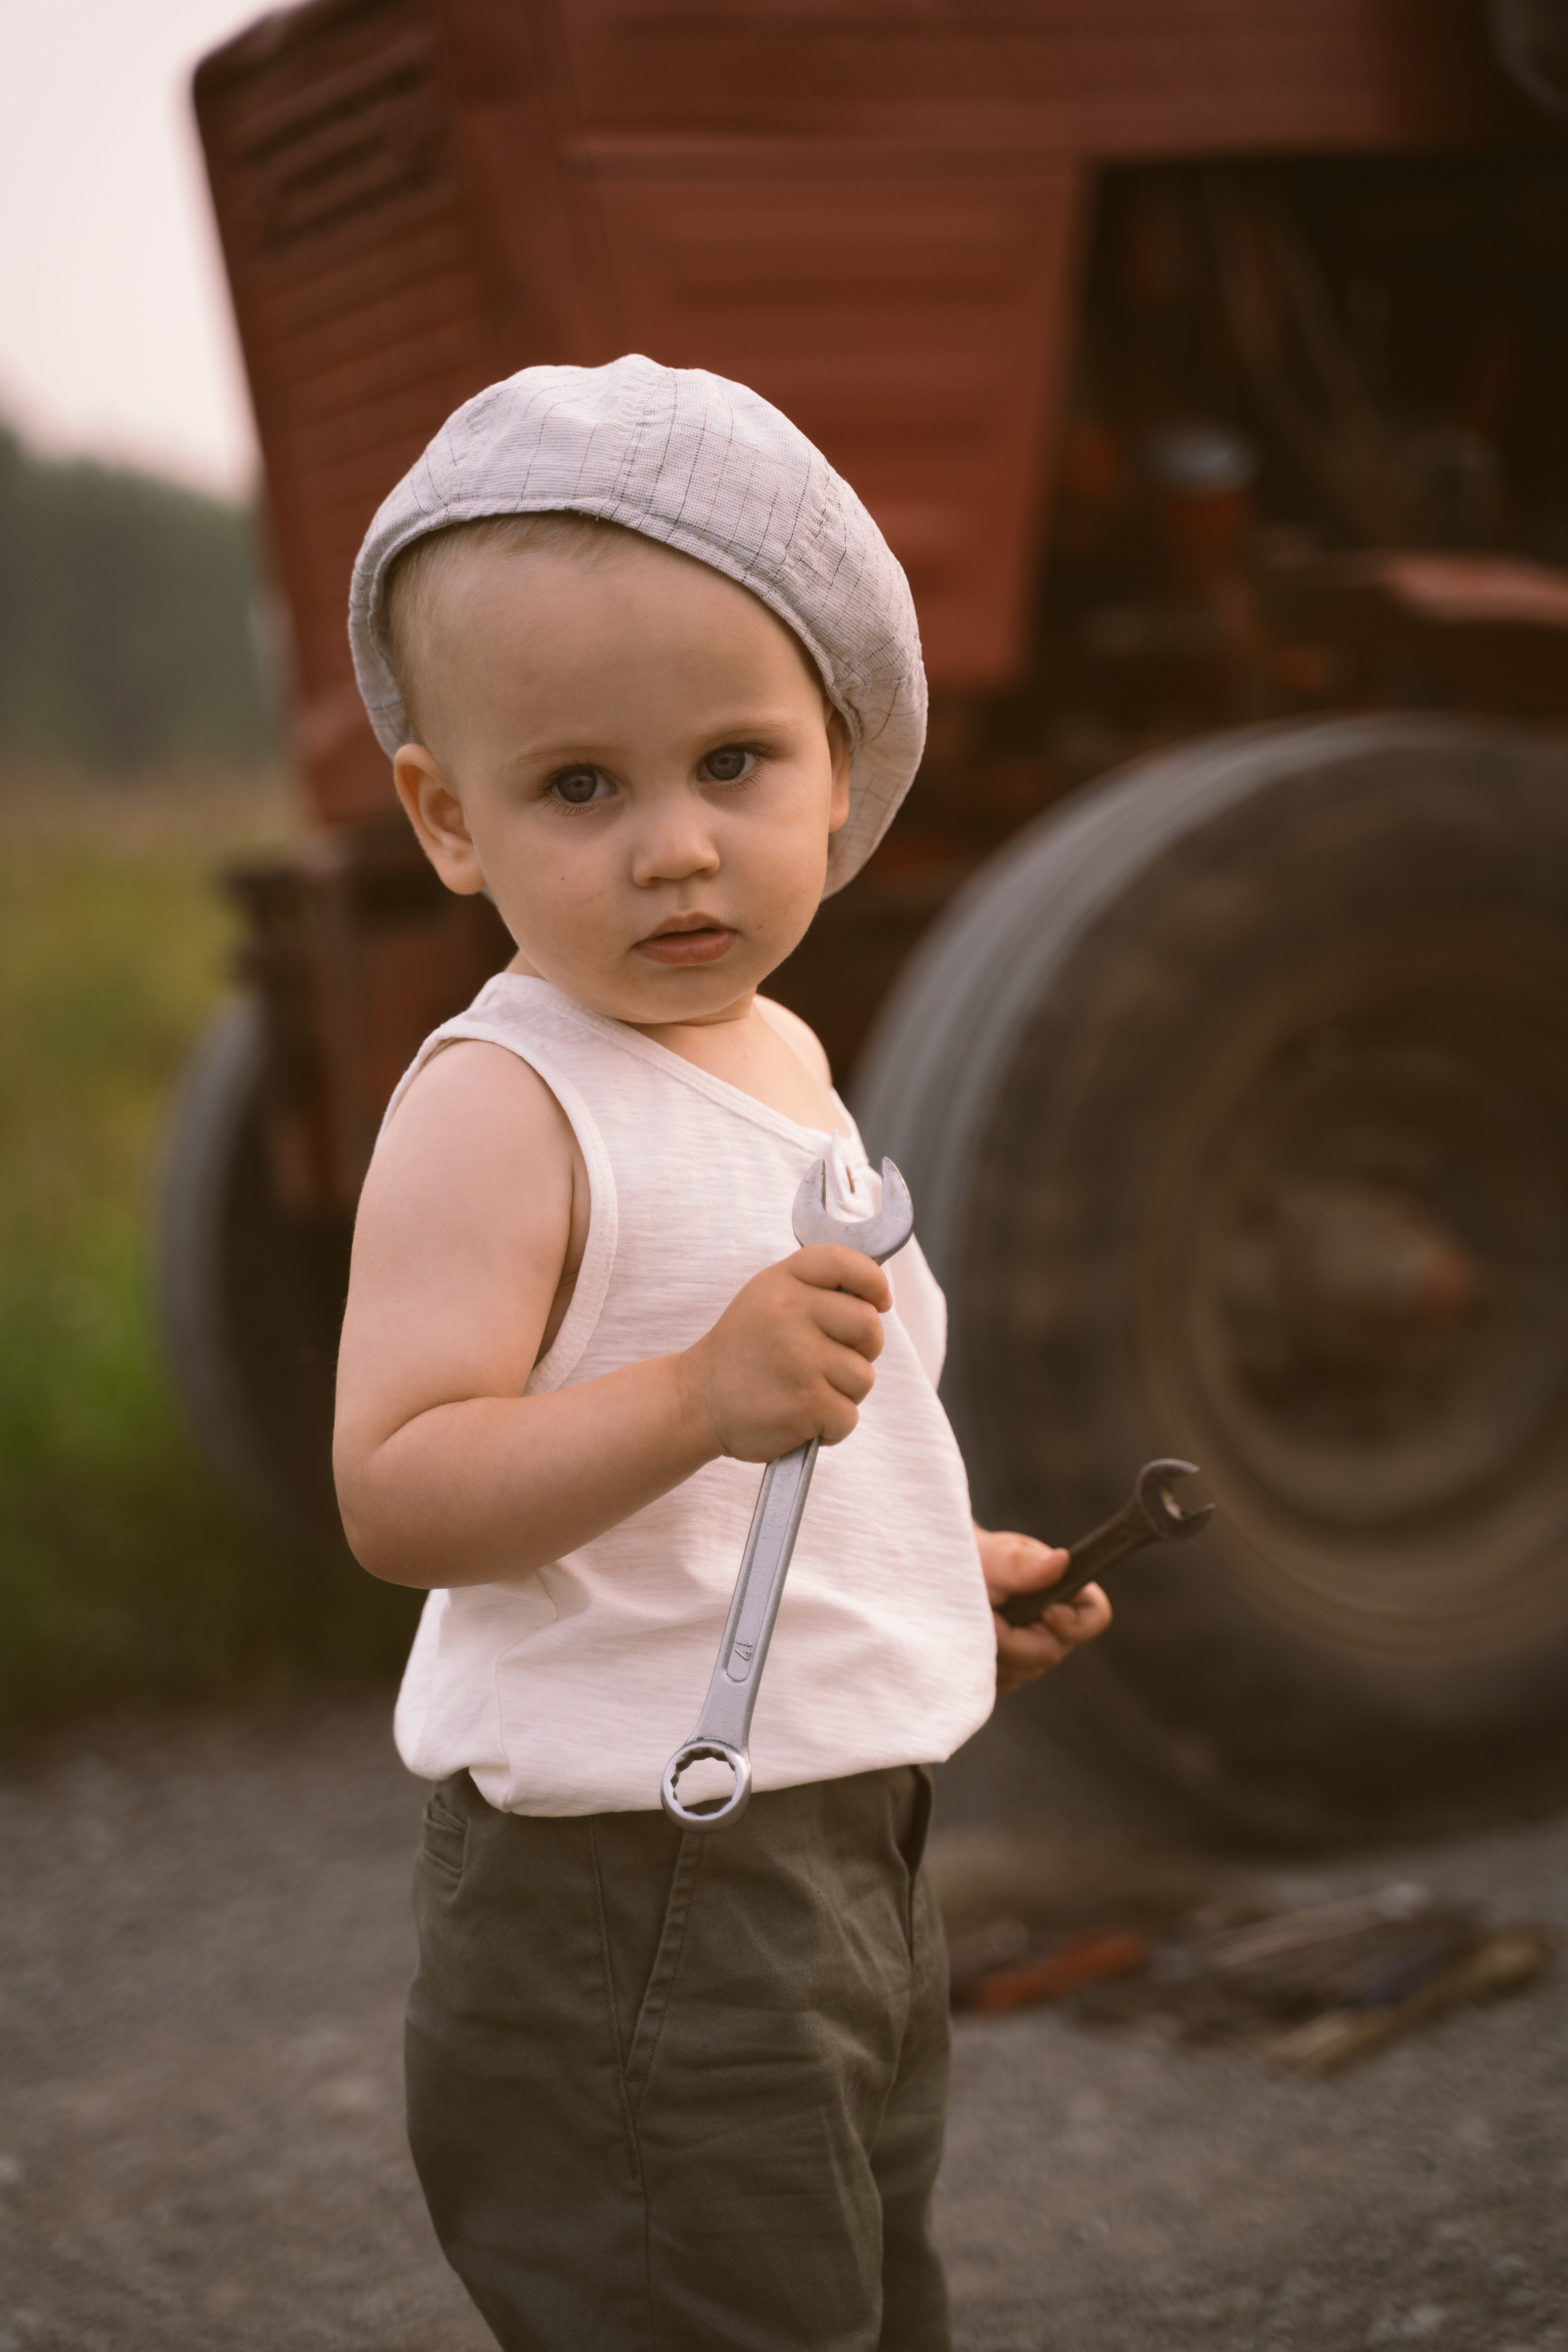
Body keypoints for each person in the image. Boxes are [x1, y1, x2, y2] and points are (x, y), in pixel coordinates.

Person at [332, 355, 1112, 2352]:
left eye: (733, 765)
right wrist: (697, 1398)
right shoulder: (501, 1101)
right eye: (581, 787)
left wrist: (932, 1578)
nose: (675, 846)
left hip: (846, 1849)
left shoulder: (776, 1061)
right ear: (446, 816)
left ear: (841, 767)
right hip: (631, 1899)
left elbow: (800, 1440)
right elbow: (402, 1487)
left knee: (858, 2299)